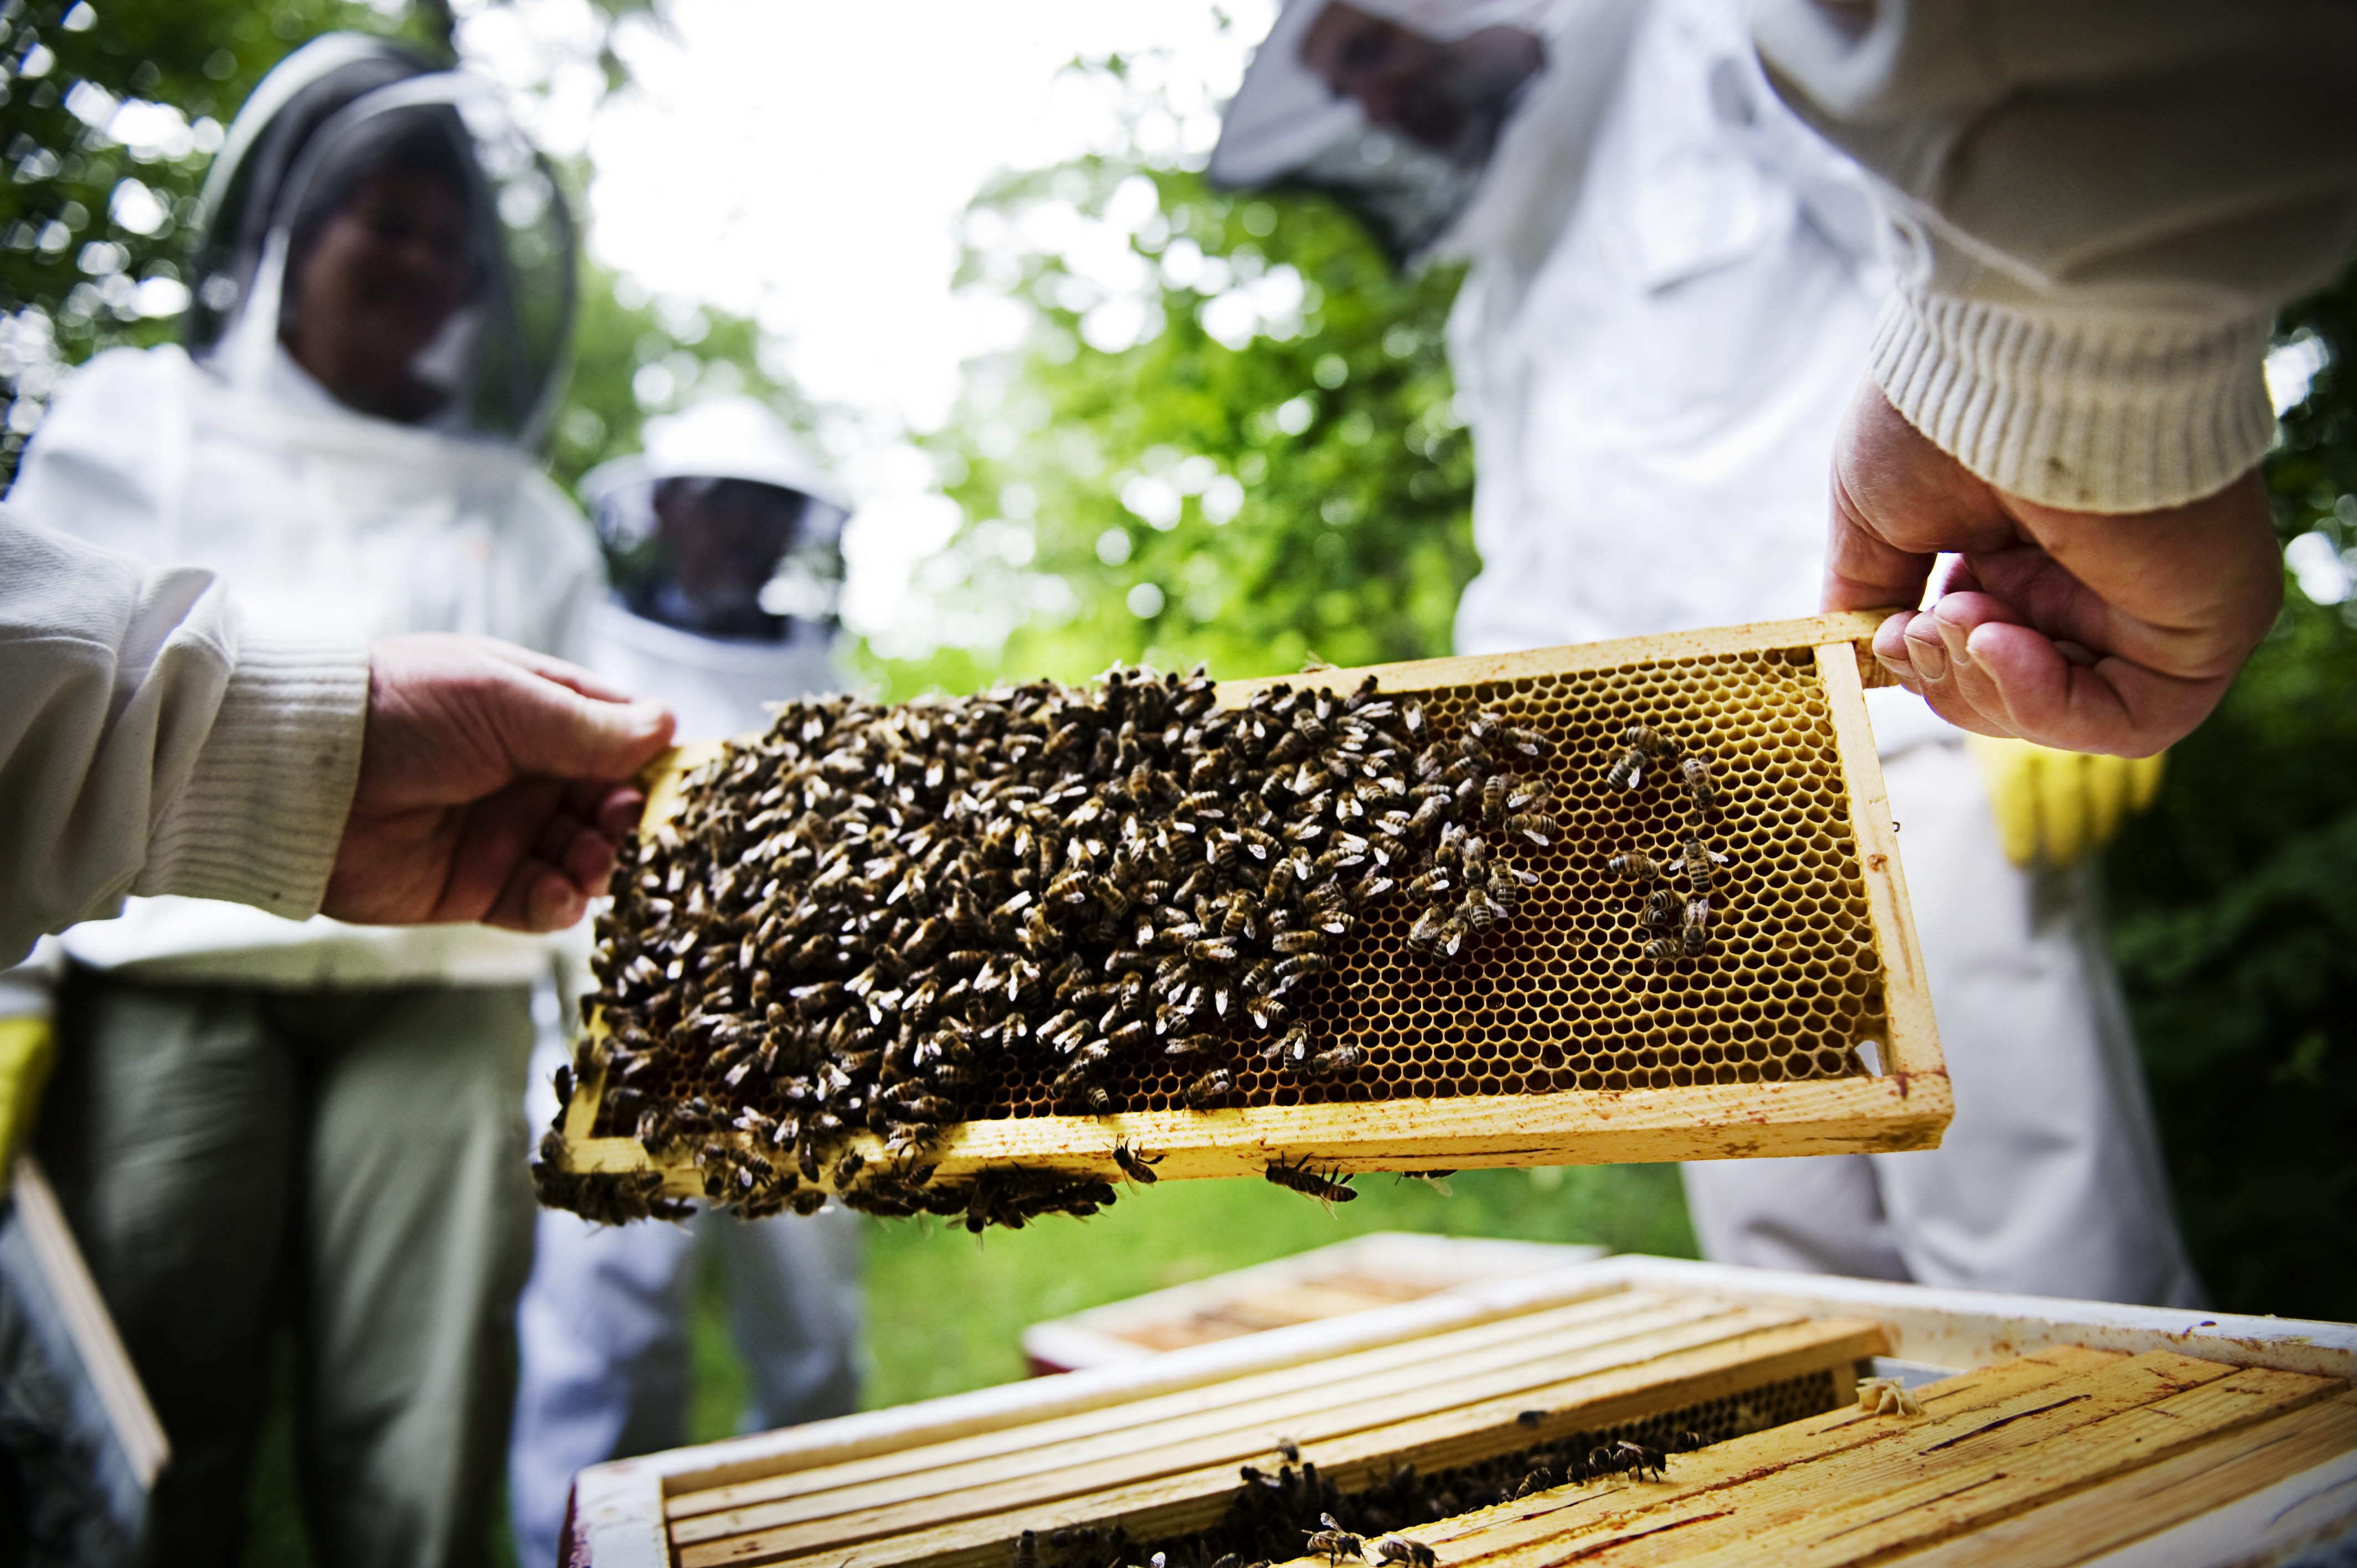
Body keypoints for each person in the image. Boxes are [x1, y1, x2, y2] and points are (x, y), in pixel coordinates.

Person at [1214, 0, 2216, 1303]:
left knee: (2021, 1206)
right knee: (1783, 1234)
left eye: (1369, 50)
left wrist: (2055, 554)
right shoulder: (1495, 302)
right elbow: (1528, 578)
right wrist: (1475, 804)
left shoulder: (1718, 48)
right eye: (1341, 83)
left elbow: (1976, 276)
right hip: (1663, 819)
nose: (1371, 103)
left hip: (1904, 716)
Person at [2, 35, 609, 1565]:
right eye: (385, 221)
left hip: (449, 996)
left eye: (449, 242)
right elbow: (50, 681)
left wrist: (613, 1032)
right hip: (168, 978)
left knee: (421, 1424)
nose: (419, 263)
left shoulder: (523, 514)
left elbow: (594, 801)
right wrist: (12, 1005)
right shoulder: (135, 415)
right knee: (153, 1409)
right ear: (288, 227)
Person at [506, 398, 863, 1566]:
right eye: (717, 503)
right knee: (603, 1341)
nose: (740, 531)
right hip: (620, 1036)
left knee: (811, 1336)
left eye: (764, 510)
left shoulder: (832, 674)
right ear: (663, 510)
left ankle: (813, 1546)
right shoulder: (587, 649)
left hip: (804, 1049)